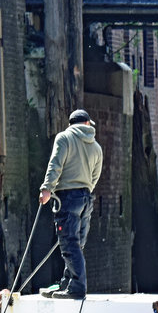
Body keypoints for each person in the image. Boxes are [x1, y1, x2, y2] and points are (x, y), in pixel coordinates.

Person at [39, 109, 103, 299]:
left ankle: (76, 287)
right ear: (86, 124)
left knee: (68, 242)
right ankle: (68, 282)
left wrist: (47, 188)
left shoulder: (64, 138)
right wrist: (85, 189)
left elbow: (55, 164)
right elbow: (95, 175)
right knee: (77, 243)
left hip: (67, 197)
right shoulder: (97, 147)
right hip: (86, 197)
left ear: (71, 124)